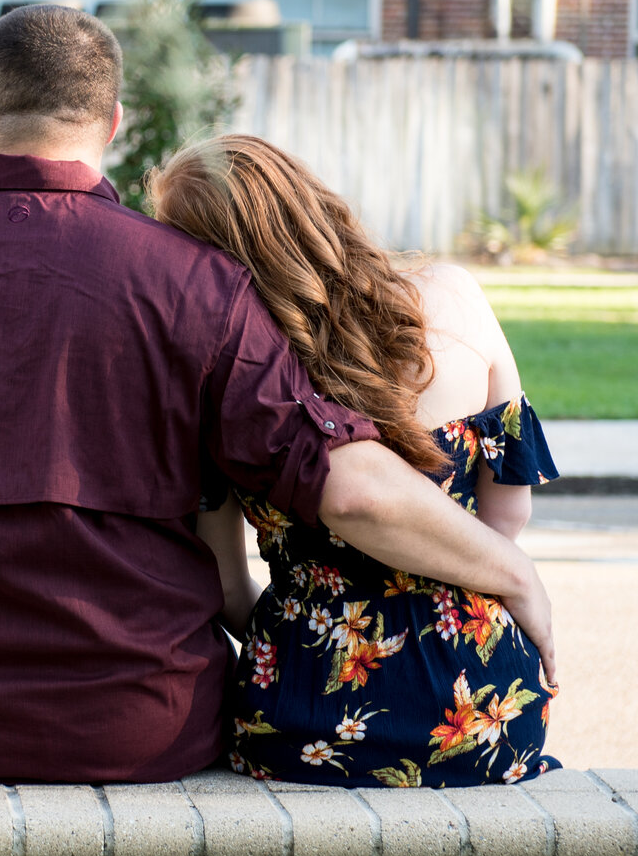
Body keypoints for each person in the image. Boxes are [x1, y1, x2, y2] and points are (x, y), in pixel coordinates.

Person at [0, 4, 554, 782]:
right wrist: (511, 571)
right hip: (143, 735)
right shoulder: (201, 289)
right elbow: (350, 486)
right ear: (111, 124)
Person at [149, 134, 560, 788]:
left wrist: (300, 630)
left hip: (295, 718)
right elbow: (509, 512)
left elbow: (226, 587)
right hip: (478, 713)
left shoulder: (232, 377)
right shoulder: (454, 297)